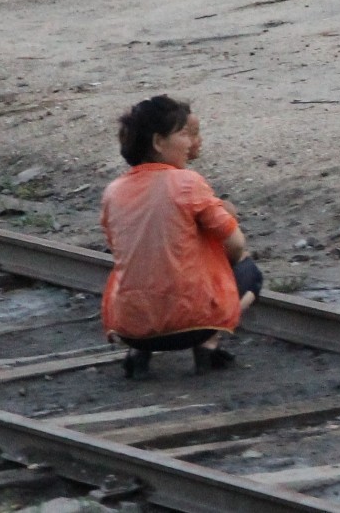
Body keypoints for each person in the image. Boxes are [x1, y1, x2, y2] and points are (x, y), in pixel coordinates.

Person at [101, 96, 262, 380]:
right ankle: (208, 343)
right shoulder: (187, 182)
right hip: (192, 326)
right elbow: (236, 243)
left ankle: (139, 354)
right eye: (183, 134)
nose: (191, 143)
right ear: (158, 143)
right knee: (249, 271)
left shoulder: (113, 192)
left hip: (131, 330)